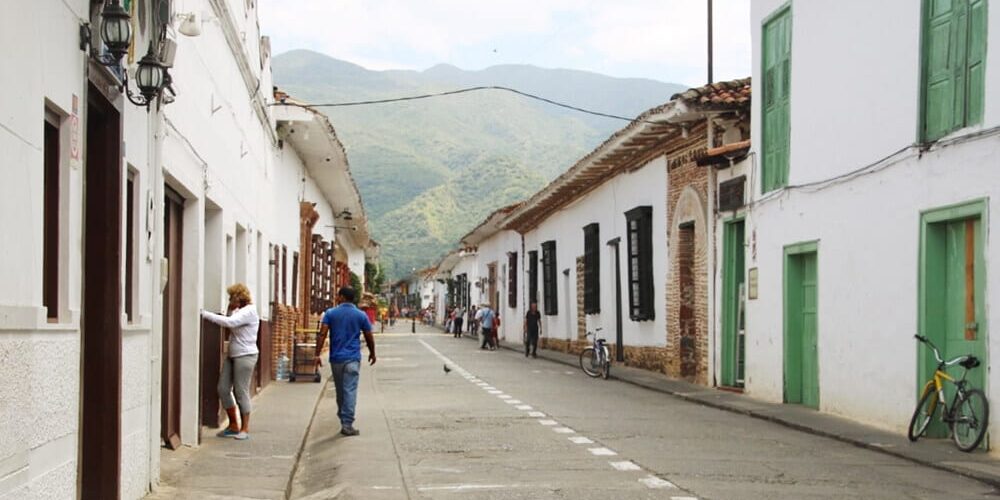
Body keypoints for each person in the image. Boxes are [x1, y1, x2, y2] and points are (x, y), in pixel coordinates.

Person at [200, 283, 260, 440]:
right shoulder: (239, 311)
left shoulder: (249, 311)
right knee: (223, 388)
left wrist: (204, 314)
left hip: (245, 356)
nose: (230, 299)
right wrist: (229, 307)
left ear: (239, 297)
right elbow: (229, 320)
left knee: (241, 391)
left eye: (231, 297)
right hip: (233, 355)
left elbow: (230, 323)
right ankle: (233, 425)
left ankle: (245, 429)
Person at [315, 287, 376, 436]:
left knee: (341, 391)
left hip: (336, 359)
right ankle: (347, 422)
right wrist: (372, 353)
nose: (336, 298)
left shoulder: (330, 314)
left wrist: (317, 354)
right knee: (350, 390)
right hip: (353, 359)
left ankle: (344, 418)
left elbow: (322, 334)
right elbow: (369, 336)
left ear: (342, 297)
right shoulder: (361, 315)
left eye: (338, 296)